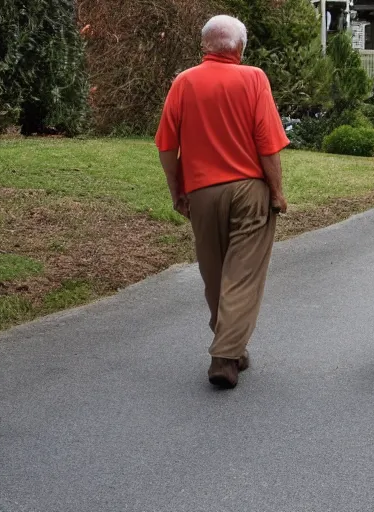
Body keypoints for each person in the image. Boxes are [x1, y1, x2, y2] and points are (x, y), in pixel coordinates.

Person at [154, 14, 289, 389]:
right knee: (243, 274)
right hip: (249, 190)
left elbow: (166, 146)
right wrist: (276, 192)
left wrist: (176, 188)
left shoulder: (184, 83)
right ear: (240, 49)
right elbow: (268, 145)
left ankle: (231, 347)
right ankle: (225, 356)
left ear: (205, 47)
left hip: (201, 192)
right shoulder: (253, 78)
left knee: (214, 273)